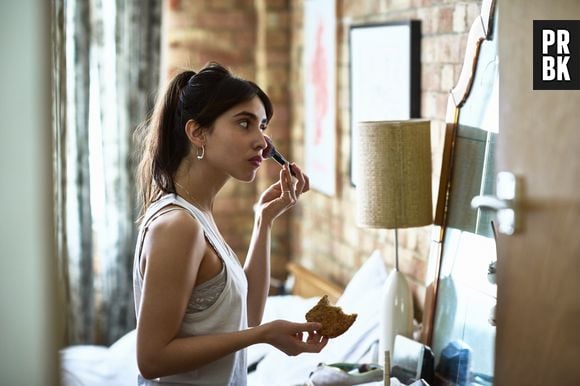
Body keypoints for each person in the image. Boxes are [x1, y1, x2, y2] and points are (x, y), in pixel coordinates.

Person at [133, 62, 328, 385]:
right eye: (244, 123)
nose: (262, 142)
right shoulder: (178, 225)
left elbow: (245, 318)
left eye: (262, 126)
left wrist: (264, 221)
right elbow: (152, 359)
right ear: (197, 133)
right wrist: (261, 336)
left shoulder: (198, 215)